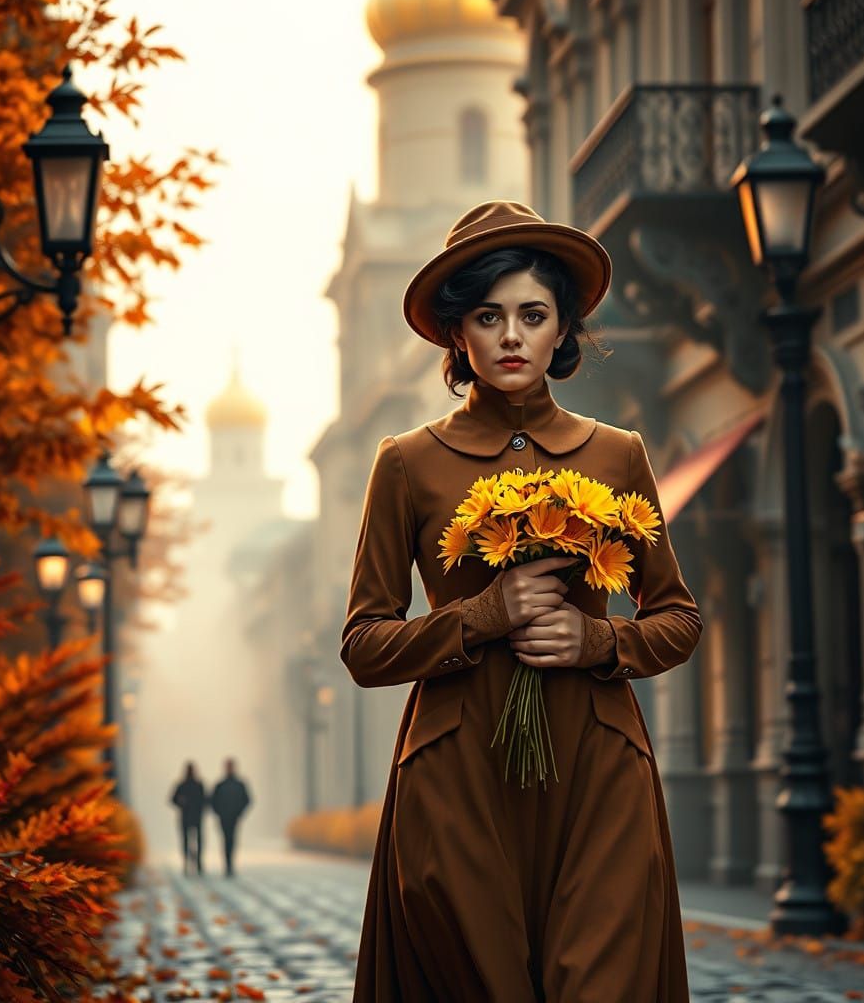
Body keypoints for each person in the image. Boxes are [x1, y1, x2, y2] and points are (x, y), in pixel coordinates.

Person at [341, 201, 704, 1002]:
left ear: (562, 329)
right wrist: (480, 616)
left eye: (532, 315)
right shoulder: (405, 464)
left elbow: (677, 617)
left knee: (598, 983)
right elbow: (364, 643)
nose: (511, 336)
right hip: (456, 771)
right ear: (456, 334)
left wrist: (599, 642)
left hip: (598, 760)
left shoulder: (619, 454)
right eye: (488, 315)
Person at [209, 758, 251, 877]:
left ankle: (230, 864)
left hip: (234, 817)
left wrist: (239, 813)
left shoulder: (239, 784)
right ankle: (227, 865)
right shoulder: (220, 785)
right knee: (226, 840)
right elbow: (213, 801)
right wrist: (218, 812)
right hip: (224, 817)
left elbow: (247, 800)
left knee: (231, 840)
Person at [169, 762, 206, 877]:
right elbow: (173, 799)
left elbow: (205, 800)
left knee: (197, 841)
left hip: (195, 817)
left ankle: (197, 863)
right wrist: (180, 802)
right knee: (187, 841)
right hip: (187, 817)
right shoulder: (182, 785)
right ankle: (187, 863)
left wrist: (200, 807)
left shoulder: (197, 785)